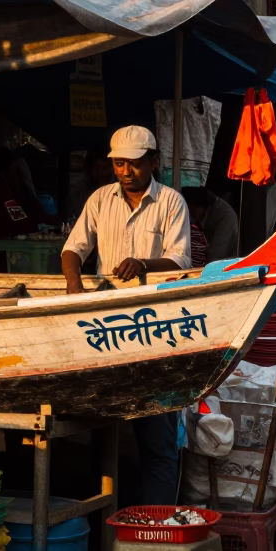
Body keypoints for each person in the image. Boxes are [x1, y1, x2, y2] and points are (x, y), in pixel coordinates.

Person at [62, 125, 192, 506]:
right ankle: (107, 525)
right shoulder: (100, 200)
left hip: (155, 329)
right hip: (105, 328)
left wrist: (144, 264)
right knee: (105, 438)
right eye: (119, 164)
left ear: (153, 162)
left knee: (157, 433)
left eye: (134, 164)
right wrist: (73, 284)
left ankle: (156, 526)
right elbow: (73, 249)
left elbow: (181, 260)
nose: (126, 171)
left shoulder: (171, 202)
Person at [182, 187, 239, 262]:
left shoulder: (225, 216)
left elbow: (217, 255)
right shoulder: (204, 212)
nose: (190, 218)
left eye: (191, 212)